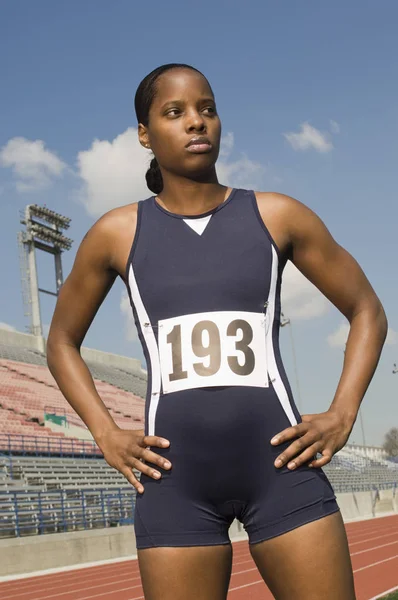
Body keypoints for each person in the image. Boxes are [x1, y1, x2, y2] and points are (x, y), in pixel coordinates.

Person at [46, 63, 387, 600]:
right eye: (175, 112)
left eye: (207, 109)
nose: (196, 123)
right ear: (144, 134)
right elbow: (61, 341)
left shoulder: (277, 216)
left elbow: (367, 308)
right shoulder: (117, 233)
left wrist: (343, 412)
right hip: (176, 484)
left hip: (282, 471)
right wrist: (106, 433)